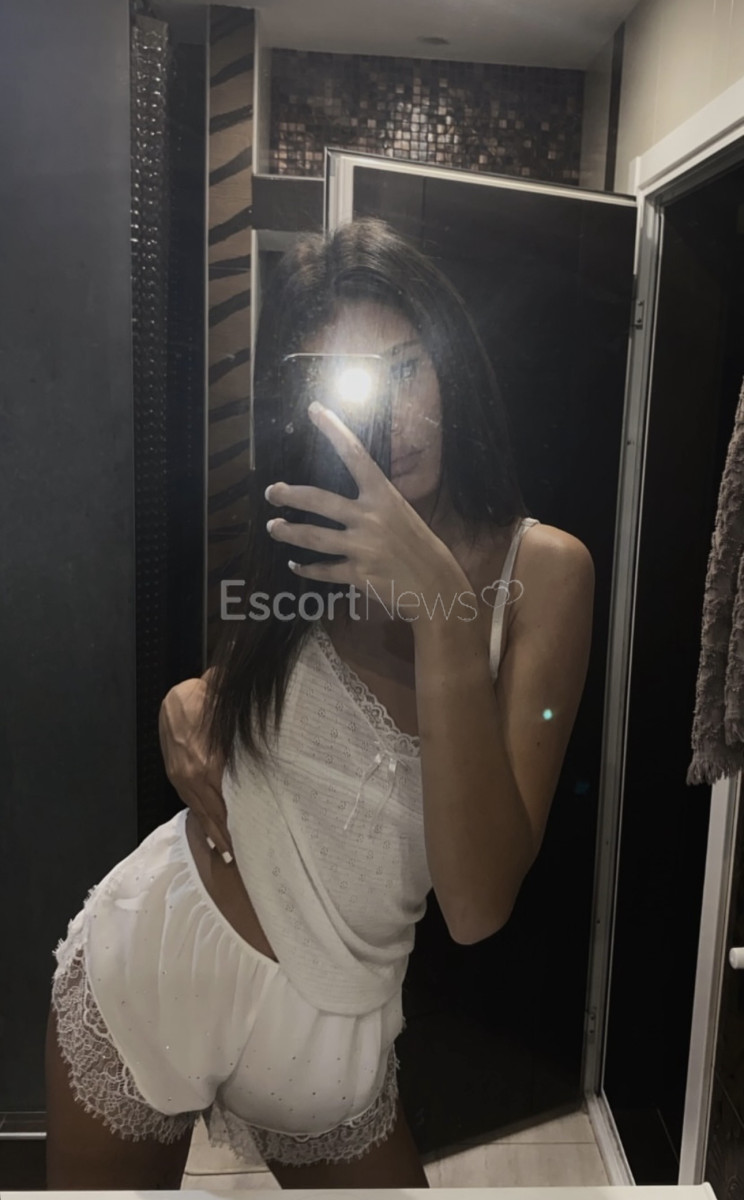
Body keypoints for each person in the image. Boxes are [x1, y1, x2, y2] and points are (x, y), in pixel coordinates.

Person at [45, 218, 595, 1189]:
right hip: (160, 960)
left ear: (453, 366)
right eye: (358, 381)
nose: (400, 416)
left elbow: (478, 906)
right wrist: (184, 700)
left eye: (409, 366)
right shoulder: (304, 532)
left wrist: (438, 602)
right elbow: (238, 696)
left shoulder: (543, 572)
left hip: (334, 1039)